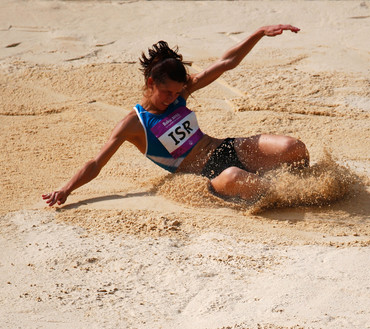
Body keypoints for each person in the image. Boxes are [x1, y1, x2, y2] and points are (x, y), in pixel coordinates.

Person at [42, 24, 309, 207]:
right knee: (237, 178)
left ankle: (289, 182)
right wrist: (66, 189)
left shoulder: (181, 91)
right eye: (167, 92)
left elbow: (226, 62)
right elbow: (95, 164)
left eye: (178, 92)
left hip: (226, 147)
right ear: (150, 83)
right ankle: (292, 195)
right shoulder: (133, 124)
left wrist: (260, 32)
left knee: (293, 148)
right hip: (204, 176)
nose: (173, 98)